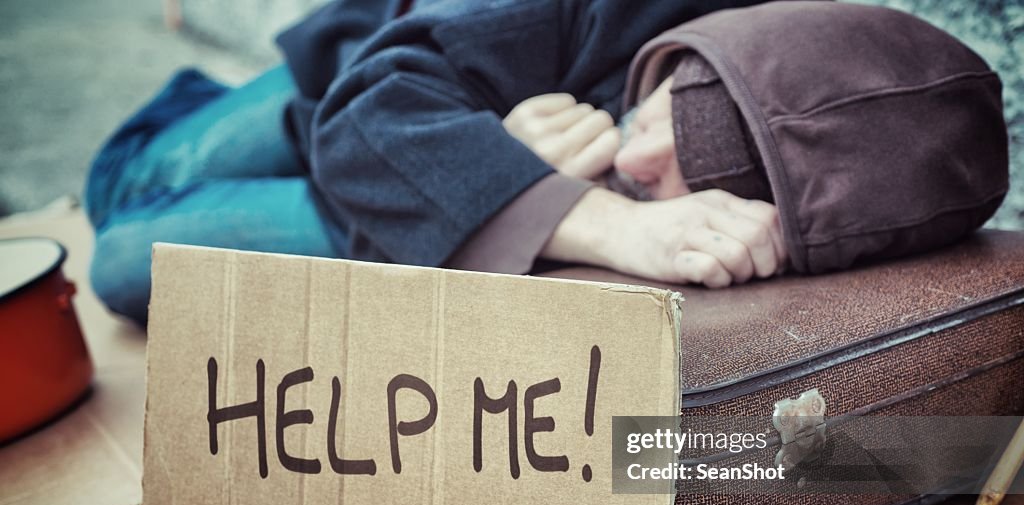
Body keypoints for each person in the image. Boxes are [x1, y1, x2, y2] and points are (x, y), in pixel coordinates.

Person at [86, 0, 1007, 325]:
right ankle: (208, 97)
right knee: (120, 189)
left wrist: (481, 185)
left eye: (695, 173)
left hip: (410, 130)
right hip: (373, 54)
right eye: (664, 105)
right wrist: (594, 217)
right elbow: (380, 100)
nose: (634, 153)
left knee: (128, 265)